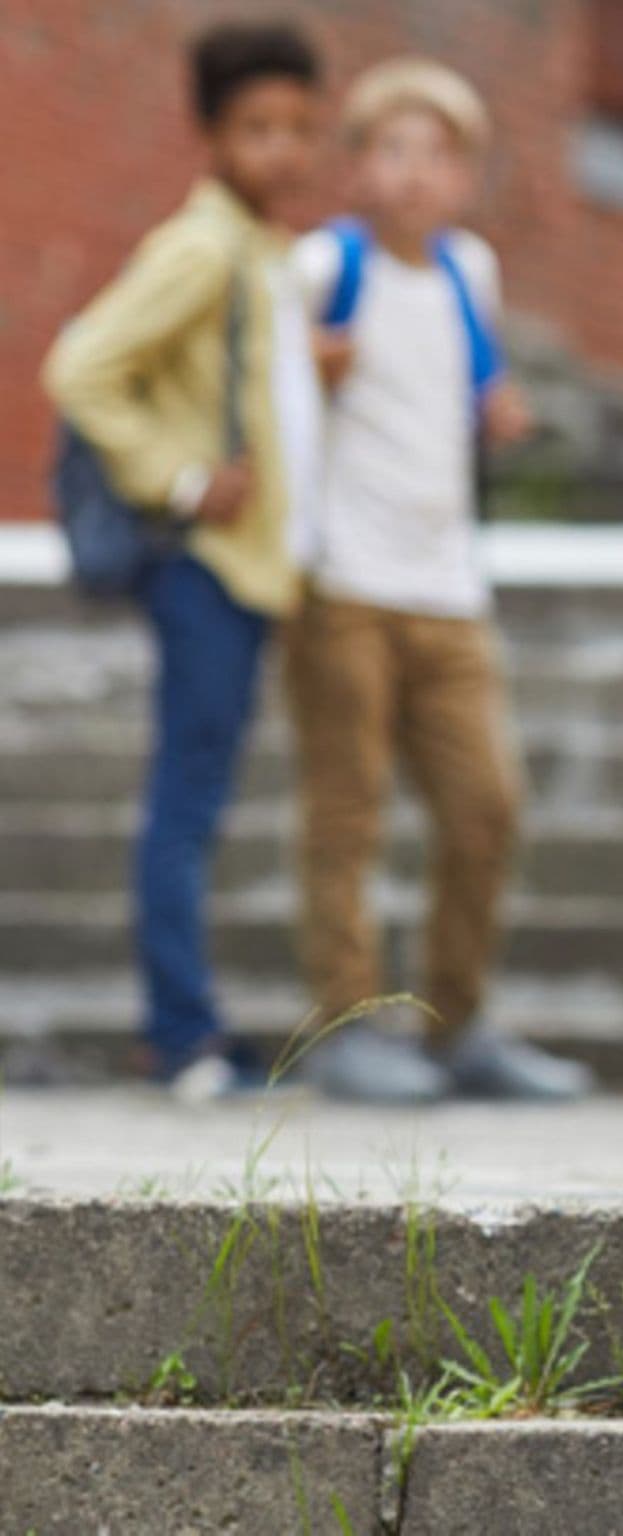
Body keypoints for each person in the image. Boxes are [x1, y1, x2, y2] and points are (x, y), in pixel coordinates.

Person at [284, 59, 589, 1102]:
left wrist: (499, 409)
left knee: (485, 805)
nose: (415, 173)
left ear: (465, 176)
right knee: (347, 811)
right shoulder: (325, 267)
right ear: (359, 165)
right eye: (392, 149)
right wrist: (304, 373)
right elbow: (275, 401)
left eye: (438, 153)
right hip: (344, 585)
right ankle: (347, 1026)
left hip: (449, 587)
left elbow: (469, 382)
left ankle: (458, 1022)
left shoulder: (471, 269)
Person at [43, 22, 323, 1102]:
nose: (284, 150)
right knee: (187, 799)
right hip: (203, 567)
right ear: (209, 133)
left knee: (199, 792)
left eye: (301, 128)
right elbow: (82, 366)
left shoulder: (261, 249)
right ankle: (181, 1034)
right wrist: (181, 477)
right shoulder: (203, 245)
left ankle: (187, 1023)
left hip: (253, 572)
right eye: (258, 128)